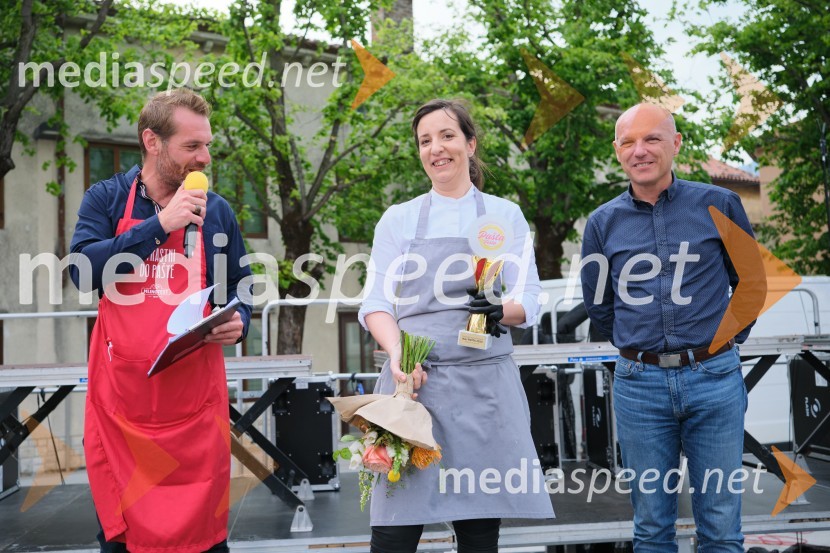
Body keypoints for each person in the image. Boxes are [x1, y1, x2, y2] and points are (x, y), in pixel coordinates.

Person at [359, 99, 554, 553]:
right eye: (425, 141)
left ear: (469, 143)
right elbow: (375, 303)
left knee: (479, 533)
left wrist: (497, 310)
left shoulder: (504, 216)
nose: (436, 149)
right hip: (413, 387)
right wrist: (398, 355)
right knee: (393, 532)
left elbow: (530, 299)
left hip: (484, 390)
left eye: (446, 136)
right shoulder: (399, 218)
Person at [70, 88, 252, 553]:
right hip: (122, 409)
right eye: (192, 147)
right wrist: (159, 225)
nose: (205, 157)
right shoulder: (106, 198)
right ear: (152, 141)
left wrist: (241, 319)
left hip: (195, 405)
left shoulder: (218, 211)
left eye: (207, 145)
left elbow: (241, 284)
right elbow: (82, 272)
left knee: (205, 542)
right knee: (122, 541)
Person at [581, 103, 755, 552]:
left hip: (715, 380)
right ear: (617, 151)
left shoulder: (720, 204)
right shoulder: (603, 223)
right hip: (639, 388)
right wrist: (636, 348)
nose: (640, 150)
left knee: (720, 527)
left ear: (675, 144)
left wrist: (726, 343)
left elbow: (753, 283)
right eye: (628, 142)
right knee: (652, 528)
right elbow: (599, 304)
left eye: (652, 138)